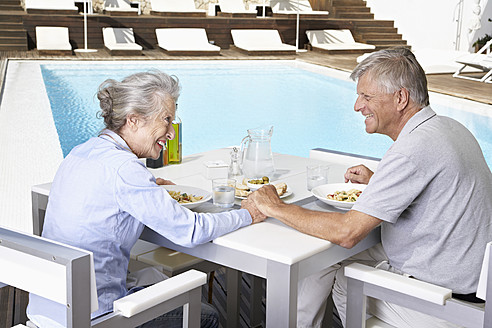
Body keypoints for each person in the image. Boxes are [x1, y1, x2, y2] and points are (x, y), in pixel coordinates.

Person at [249, 47, 492, 328]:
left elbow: (347, 233)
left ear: (400, 98)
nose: (357, 106)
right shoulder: (449, 127)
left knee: (345, 280)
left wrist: (275, 206)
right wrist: (379, 180)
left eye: (366, 96)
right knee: (322, 261)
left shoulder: (411, 150)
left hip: (450, 300)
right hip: (467, 274)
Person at [27, 70, 266, 328]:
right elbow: (192, 232)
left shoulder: (79, 153)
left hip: (48, 312)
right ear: (133, 120)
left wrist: (148, 187)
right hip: (94, 319)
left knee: (155, 278)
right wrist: (250, 213)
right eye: (166, 119)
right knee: (208, 316)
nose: (171, 133)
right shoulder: (126, 171)